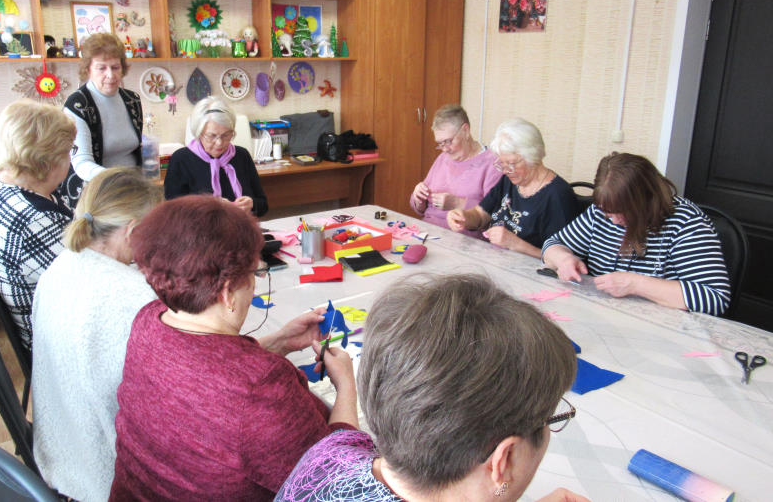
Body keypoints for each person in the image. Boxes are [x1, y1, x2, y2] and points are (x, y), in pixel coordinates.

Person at [109, 195, 357, 501]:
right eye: (255, 274)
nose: (254, 285)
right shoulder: (262, 389)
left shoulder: (149, 320)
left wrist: (279, 341)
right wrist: (346, 385)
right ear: (227, 292)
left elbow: (204, 377)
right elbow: (336, 484)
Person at [276, 274, 589, 502]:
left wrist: (346, 384)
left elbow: (343, 435)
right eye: (551, 418)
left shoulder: (329, 454)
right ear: (504, 461)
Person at [31, 168, 162, 502]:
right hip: (109, 477)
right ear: (133, 231)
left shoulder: (58, 269)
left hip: (62, 457)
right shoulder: (133, 297)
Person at [542, 152, 731, 316]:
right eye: (608, 214)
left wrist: (635, 284)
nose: (614, 221)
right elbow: (553, 244)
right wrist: (564, 259)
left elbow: (714, 298)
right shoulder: (600, 212)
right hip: (604, 316)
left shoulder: (686, 223)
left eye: (623, 212)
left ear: (647, 199)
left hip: (660, 327)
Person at [0, 100, 75, 350]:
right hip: (52, 342)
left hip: (42, 319)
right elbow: (87, 285)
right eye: (68, 151)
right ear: (47, 159)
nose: (70, 160)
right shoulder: (34, 219)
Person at [447, 118, 578, 258]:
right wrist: (464, 217)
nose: (505, 170)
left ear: (533, 157)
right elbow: (480, 214)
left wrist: (515, 244)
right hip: (496, 261)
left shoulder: (558, 196)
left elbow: (566, 260)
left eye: (511, 163)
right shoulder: (509, 180)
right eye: (502, 163)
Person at [61, 33, 143, 208]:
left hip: (131, 191)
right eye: (101, 68)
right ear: (88, 69)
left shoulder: (132, 100)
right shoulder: (78, 105)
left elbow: (135, 149)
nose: (110, 75)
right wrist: (119, 179)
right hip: (96, 196)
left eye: (115, 67)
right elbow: (82, 164)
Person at [164, 97, 268, 217]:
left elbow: (263, 205)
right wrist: (210, 207)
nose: (219, 143)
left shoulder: (242, 155)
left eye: (226, 135)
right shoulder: (181, 160)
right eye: (212, 136)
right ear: (198, 133)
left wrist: (252, 204)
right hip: (199, 229)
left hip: (241, 226)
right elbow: (173, 214)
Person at [409, 104, 501, 238]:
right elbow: (420, 209)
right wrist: (418, 197)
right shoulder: (443, 158)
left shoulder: (492, 163)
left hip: (463, 238)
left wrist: (457, 203)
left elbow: (495, 214)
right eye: (440, 143)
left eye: (448, 141)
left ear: (465, 131)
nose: (444, 149)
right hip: (428, 231)